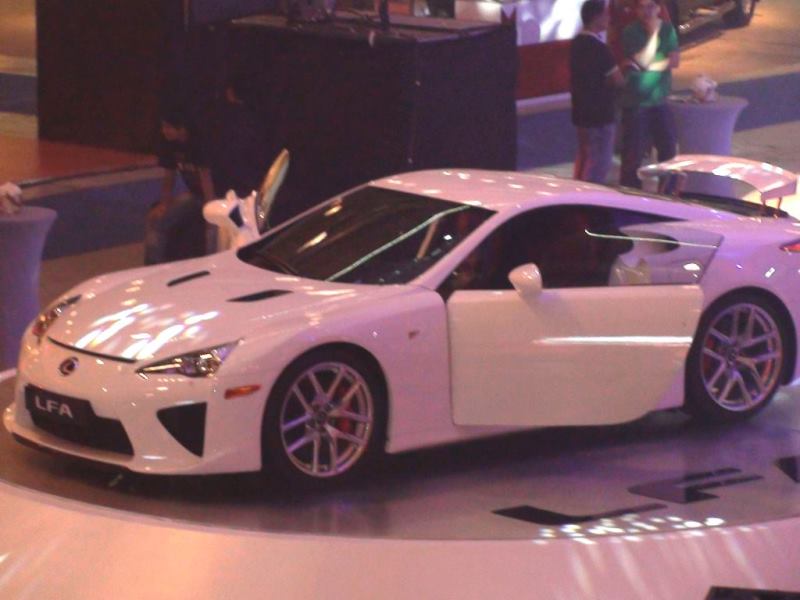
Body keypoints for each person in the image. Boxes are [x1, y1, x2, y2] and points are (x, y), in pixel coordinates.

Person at [144, 107, 217, 265]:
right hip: (195, 195)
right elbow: (169, 177)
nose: (164, 131)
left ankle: (211, 264)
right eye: (163, 127)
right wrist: (164, 205)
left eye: (168, 127)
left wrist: (210, 210)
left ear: (182, 128)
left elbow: (206, 180)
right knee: (156, 219)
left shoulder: (198, 144)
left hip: (214, 196)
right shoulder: (169, 144)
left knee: (212, 229)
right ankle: (153, 264)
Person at [619, 0, 680, 188]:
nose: (647, 11)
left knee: (669, 151)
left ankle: (667, 194)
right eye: (642, 7)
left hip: (660, 100)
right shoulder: (630, 32)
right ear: (636, 10)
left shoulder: (668, 30)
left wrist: (647, 66)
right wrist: (653, 35)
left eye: (651, 6)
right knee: (633, 155)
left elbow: (674, 61)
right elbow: (642, 59)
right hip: (636, 103)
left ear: (659, 8)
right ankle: (630, 195)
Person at [570, 0, 624, 184]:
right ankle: (589, 196)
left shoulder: (576, 44)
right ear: (596, 17)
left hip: (580, 113)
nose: (609, 18)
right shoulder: (600, 49)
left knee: (584, 156)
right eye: (605, 14)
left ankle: (575, 191)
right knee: (599, 163)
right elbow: (617, 80)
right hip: (600, 115)